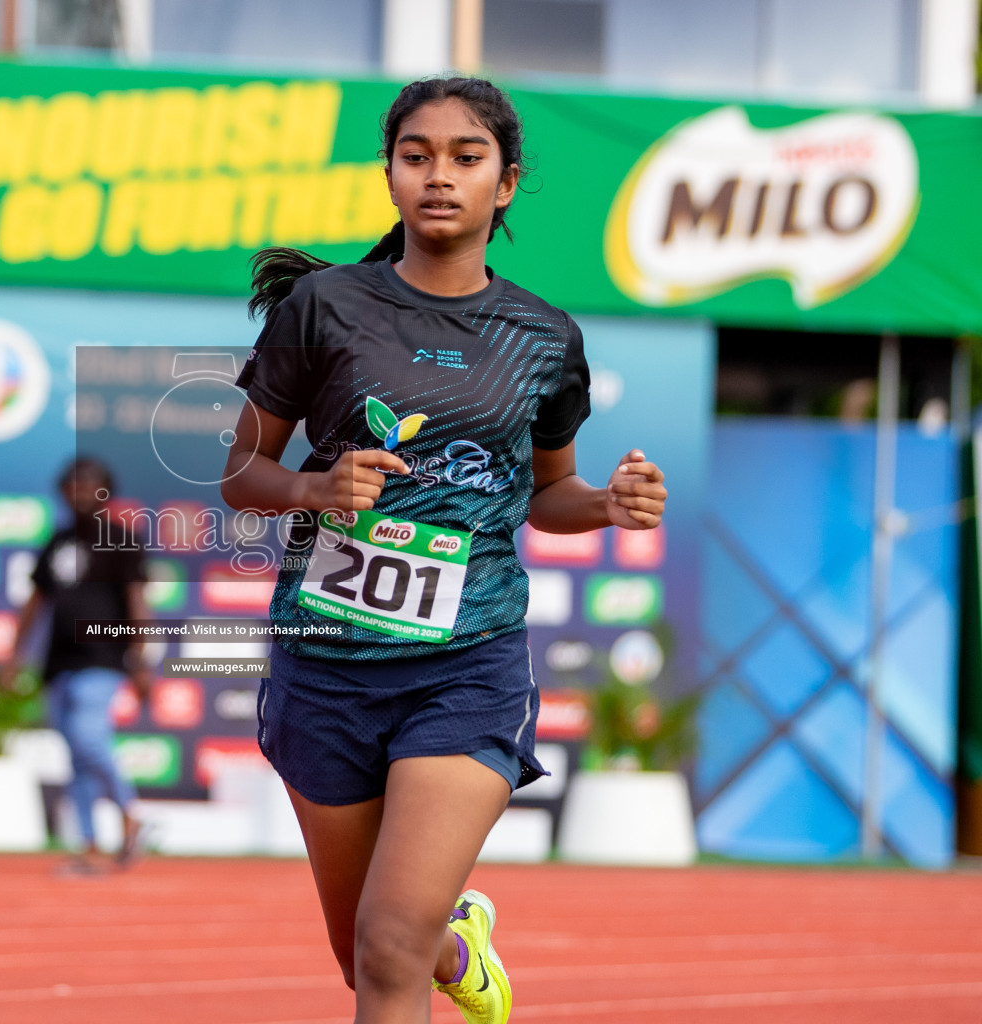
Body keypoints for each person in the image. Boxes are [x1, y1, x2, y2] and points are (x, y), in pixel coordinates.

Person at [220, 76, 668, 1024]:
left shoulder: (545, 339)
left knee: (389, 949)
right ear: (388, 174)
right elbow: (242, 474)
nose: (439, 175)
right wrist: (312, 487)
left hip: (465, 667)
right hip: (325, 666)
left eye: (467, 157)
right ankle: (458, 944)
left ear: (506, 182)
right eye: (415, 155)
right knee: (368, 957)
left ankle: (427, 938)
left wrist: (608, 504)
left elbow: (548, 494)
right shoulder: (324, 308)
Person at [0, 457, 151, 872]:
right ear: (63, 491)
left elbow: (137, 604)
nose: (82, 492)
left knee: (88, 738)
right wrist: (15, 655)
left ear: (106, 492)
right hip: (57, 664)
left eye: (92, 486)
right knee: (76, 757)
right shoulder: (57, 540)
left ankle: (131, 813)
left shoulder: (122, 539)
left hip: (102, 660)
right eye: (75, 485)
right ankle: (87, 845)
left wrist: (141, 662)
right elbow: (35, 602)